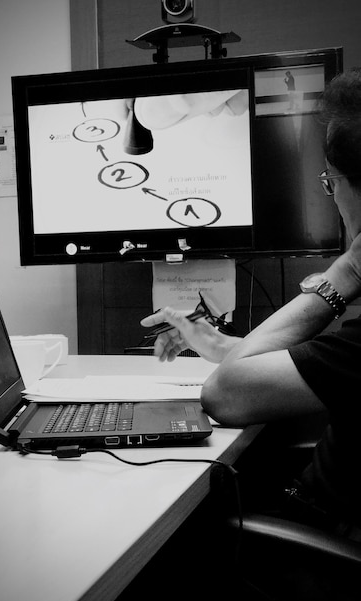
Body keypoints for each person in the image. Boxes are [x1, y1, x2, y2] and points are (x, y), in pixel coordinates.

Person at [141, 67, 361, 531]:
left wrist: (347, 271)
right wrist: (222, 348)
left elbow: (224, 395)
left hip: (317, 545)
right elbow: (329, 373)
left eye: (331, 181)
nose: (332, 198)